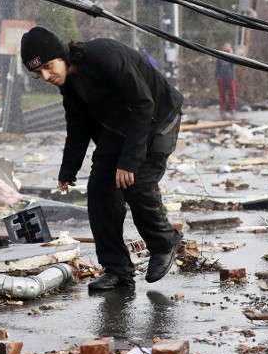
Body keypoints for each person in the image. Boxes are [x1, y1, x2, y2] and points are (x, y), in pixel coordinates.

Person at [20, 27, 184, 292]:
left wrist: (129, 161)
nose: (46, 76)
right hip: (119, 129)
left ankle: (164, 241)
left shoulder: (105, 56)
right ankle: (117, 269)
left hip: (157, 118)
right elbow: (78, 126)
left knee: (136, 182)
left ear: (62, 54)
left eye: (49, 66)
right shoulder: (69, 86)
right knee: (100, 191)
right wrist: (68, 169)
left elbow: (144, 105)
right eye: (38, 73)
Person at [215, 41, 237, 119]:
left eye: (228, 46)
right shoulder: (220, 56)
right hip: (221, 79)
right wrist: (217, 77)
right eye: (225, 46)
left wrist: (232, 54)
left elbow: (234, 64)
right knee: (222, 96)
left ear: (230, 48)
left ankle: (233, 109)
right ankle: (223, 110)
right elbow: (217, 67)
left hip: (231, 78)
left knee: (232, 95)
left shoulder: (232, 56)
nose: (226, 48)